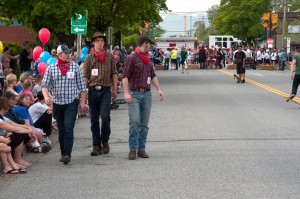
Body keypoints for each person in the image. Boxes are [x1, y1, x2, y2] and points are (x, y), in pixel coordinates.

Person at [42, 44, 88, 165]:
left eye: (69, 53)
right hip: (57, 102)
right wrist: (46, 97)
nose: (69, 55)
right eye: (66, 53)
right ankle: (63, 152)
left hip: (71, 102)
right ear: (59, 55)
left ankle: (67, 154)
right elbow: (44, 86)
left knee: (68, 128)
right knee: (61, 129)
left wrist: (83, 102)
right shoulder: (51, 68)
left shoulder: (75, 67)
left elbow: (82, 87)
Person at [122, 35, 164, 160]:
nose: (150, 46)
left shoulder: (147, 59)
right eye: (149, 44)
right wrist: (126, 93)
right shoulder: (131, 58)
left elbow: (153, 75)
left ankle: (141, 148)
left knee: (144, 124)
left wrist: (159, 89)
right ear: (144, 44)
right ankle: (132, 149)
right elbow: (125, 76)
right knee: (135, 121)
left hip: (146, 94)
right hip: (134, 94)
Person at [83, 32, 118, 156]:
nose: (100, 43)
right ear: (93, 43)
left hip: (105, 90)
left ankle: (105, 141)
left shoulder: (110, 56)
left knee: (105, 117)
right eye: (97, 41)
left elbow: (114, 73)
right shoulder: (88, 58)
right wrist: (84, 92)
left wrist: (114, 88)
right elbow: (85, 76)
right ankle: (96, 145)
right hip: (92, 90)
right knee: (94, 119)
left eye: (102, 41)